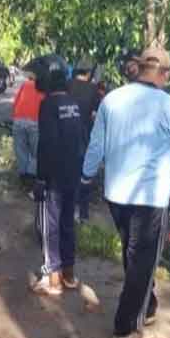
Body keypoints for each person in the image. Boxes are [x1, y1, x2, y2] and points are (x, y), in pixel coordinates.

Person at [82, 47, 170, 338]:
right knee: (142, 259)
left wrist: (86, 174)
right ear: (163, 73)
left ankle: (146, 306)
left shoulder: (112, 99)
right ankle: (126, 328)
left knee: (133, 252)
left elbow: (96, 146)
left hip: (116, 194)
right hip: (149, 196)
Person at [32, 60, 86, 295]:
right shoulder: (73, 104)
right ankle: (69, 274)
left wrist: (41, 177)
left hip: (54, 176)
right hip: (73, 173)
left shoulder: (48, 104)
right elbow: (81, 138)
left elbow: (47, 143)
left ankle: (52, 277)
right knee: (67, 224)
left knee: (49, 226)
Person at [67, 64, 101, 223]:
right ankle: (83, 214)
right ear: (87, 74)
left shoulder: (67, 85)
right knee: (84, 176)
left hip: (66, 136)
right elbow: (94, 116)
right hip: (83, 137)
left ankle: (66, 209)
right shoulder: (93, 90)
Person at [12, 73, 46, 190]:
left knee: (20, 149)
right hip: (35, 122)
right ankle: (30, 176)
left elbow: (15, 102)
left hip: (19, 120)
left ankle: (23, 174)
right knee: (35, 151)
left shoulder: (25, 85)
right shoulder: (44, 88)